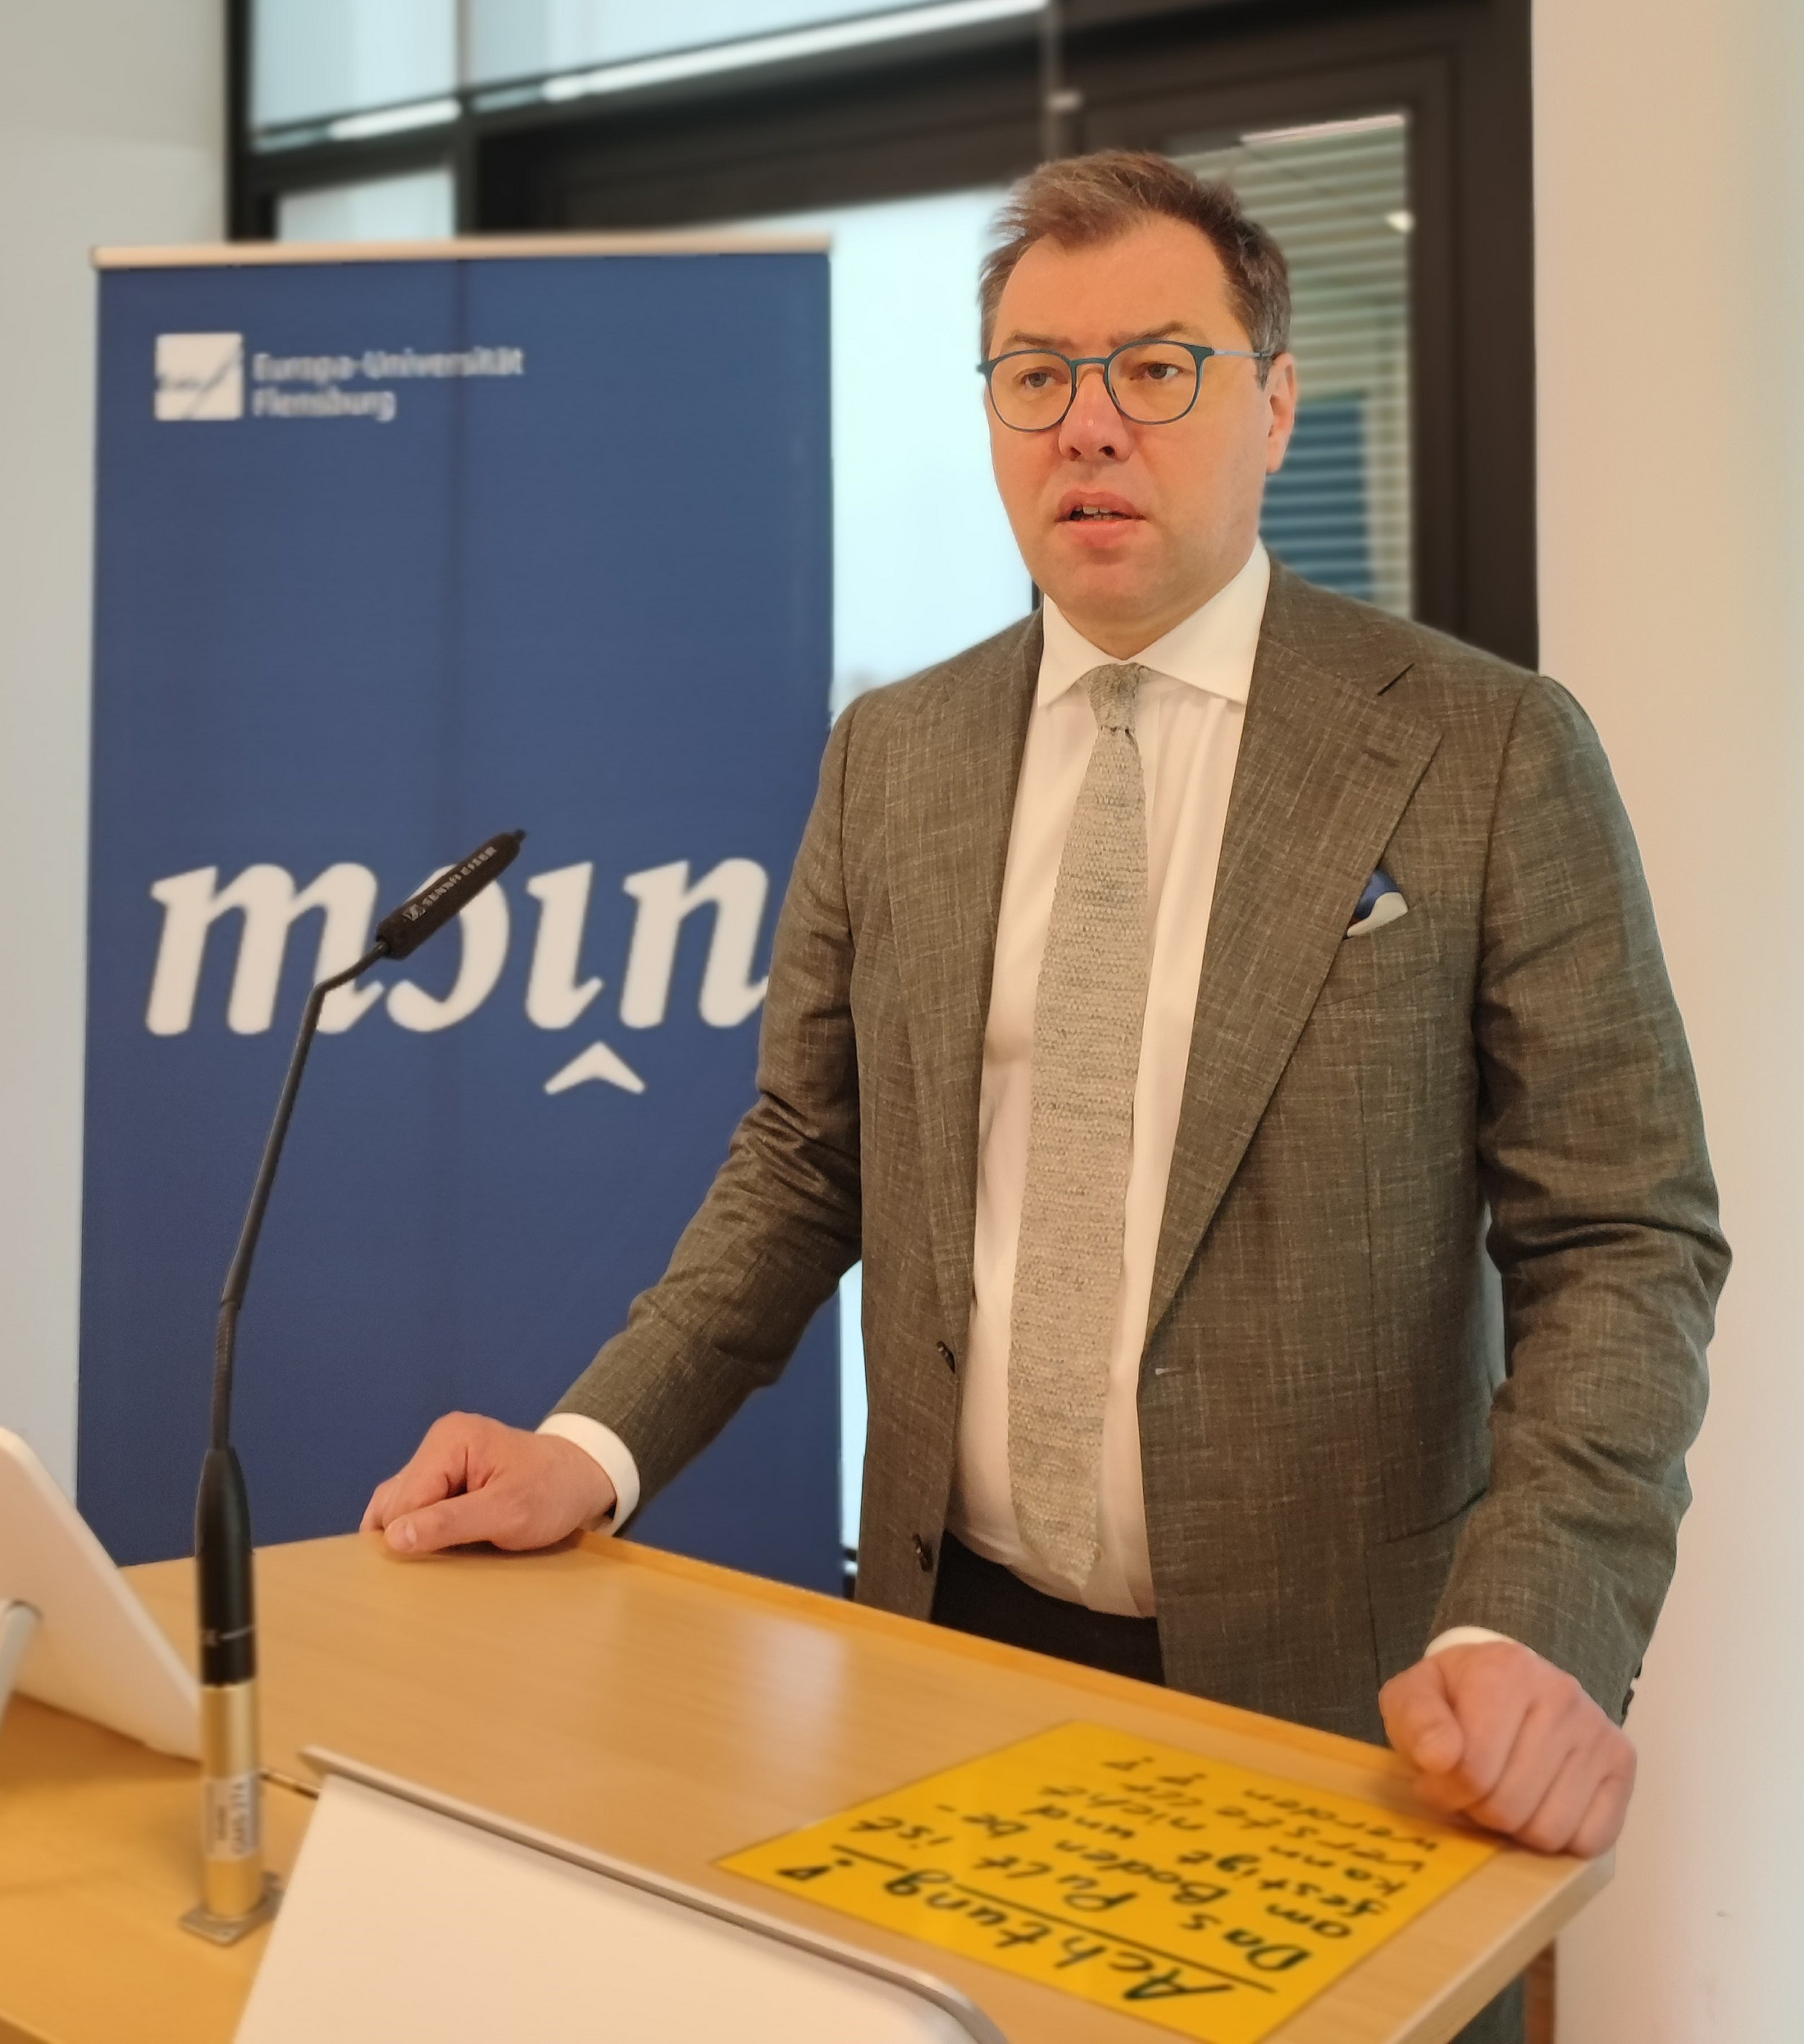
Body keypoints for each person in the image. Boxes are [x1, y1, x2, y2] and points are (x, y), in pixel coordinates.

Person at [365, 153, 1726, 2043]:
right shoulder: (893, 753)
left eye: (1154, 367)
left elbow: (1621, 1238)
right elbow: (802, 1162)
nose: (1088, 423)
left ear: (1271, 404)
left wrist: (1528, 1621)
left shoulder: (1485, 747)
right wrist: (589, 1447)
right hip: (954, 1654)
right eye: (1034, 376)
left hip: (1346, 1696)